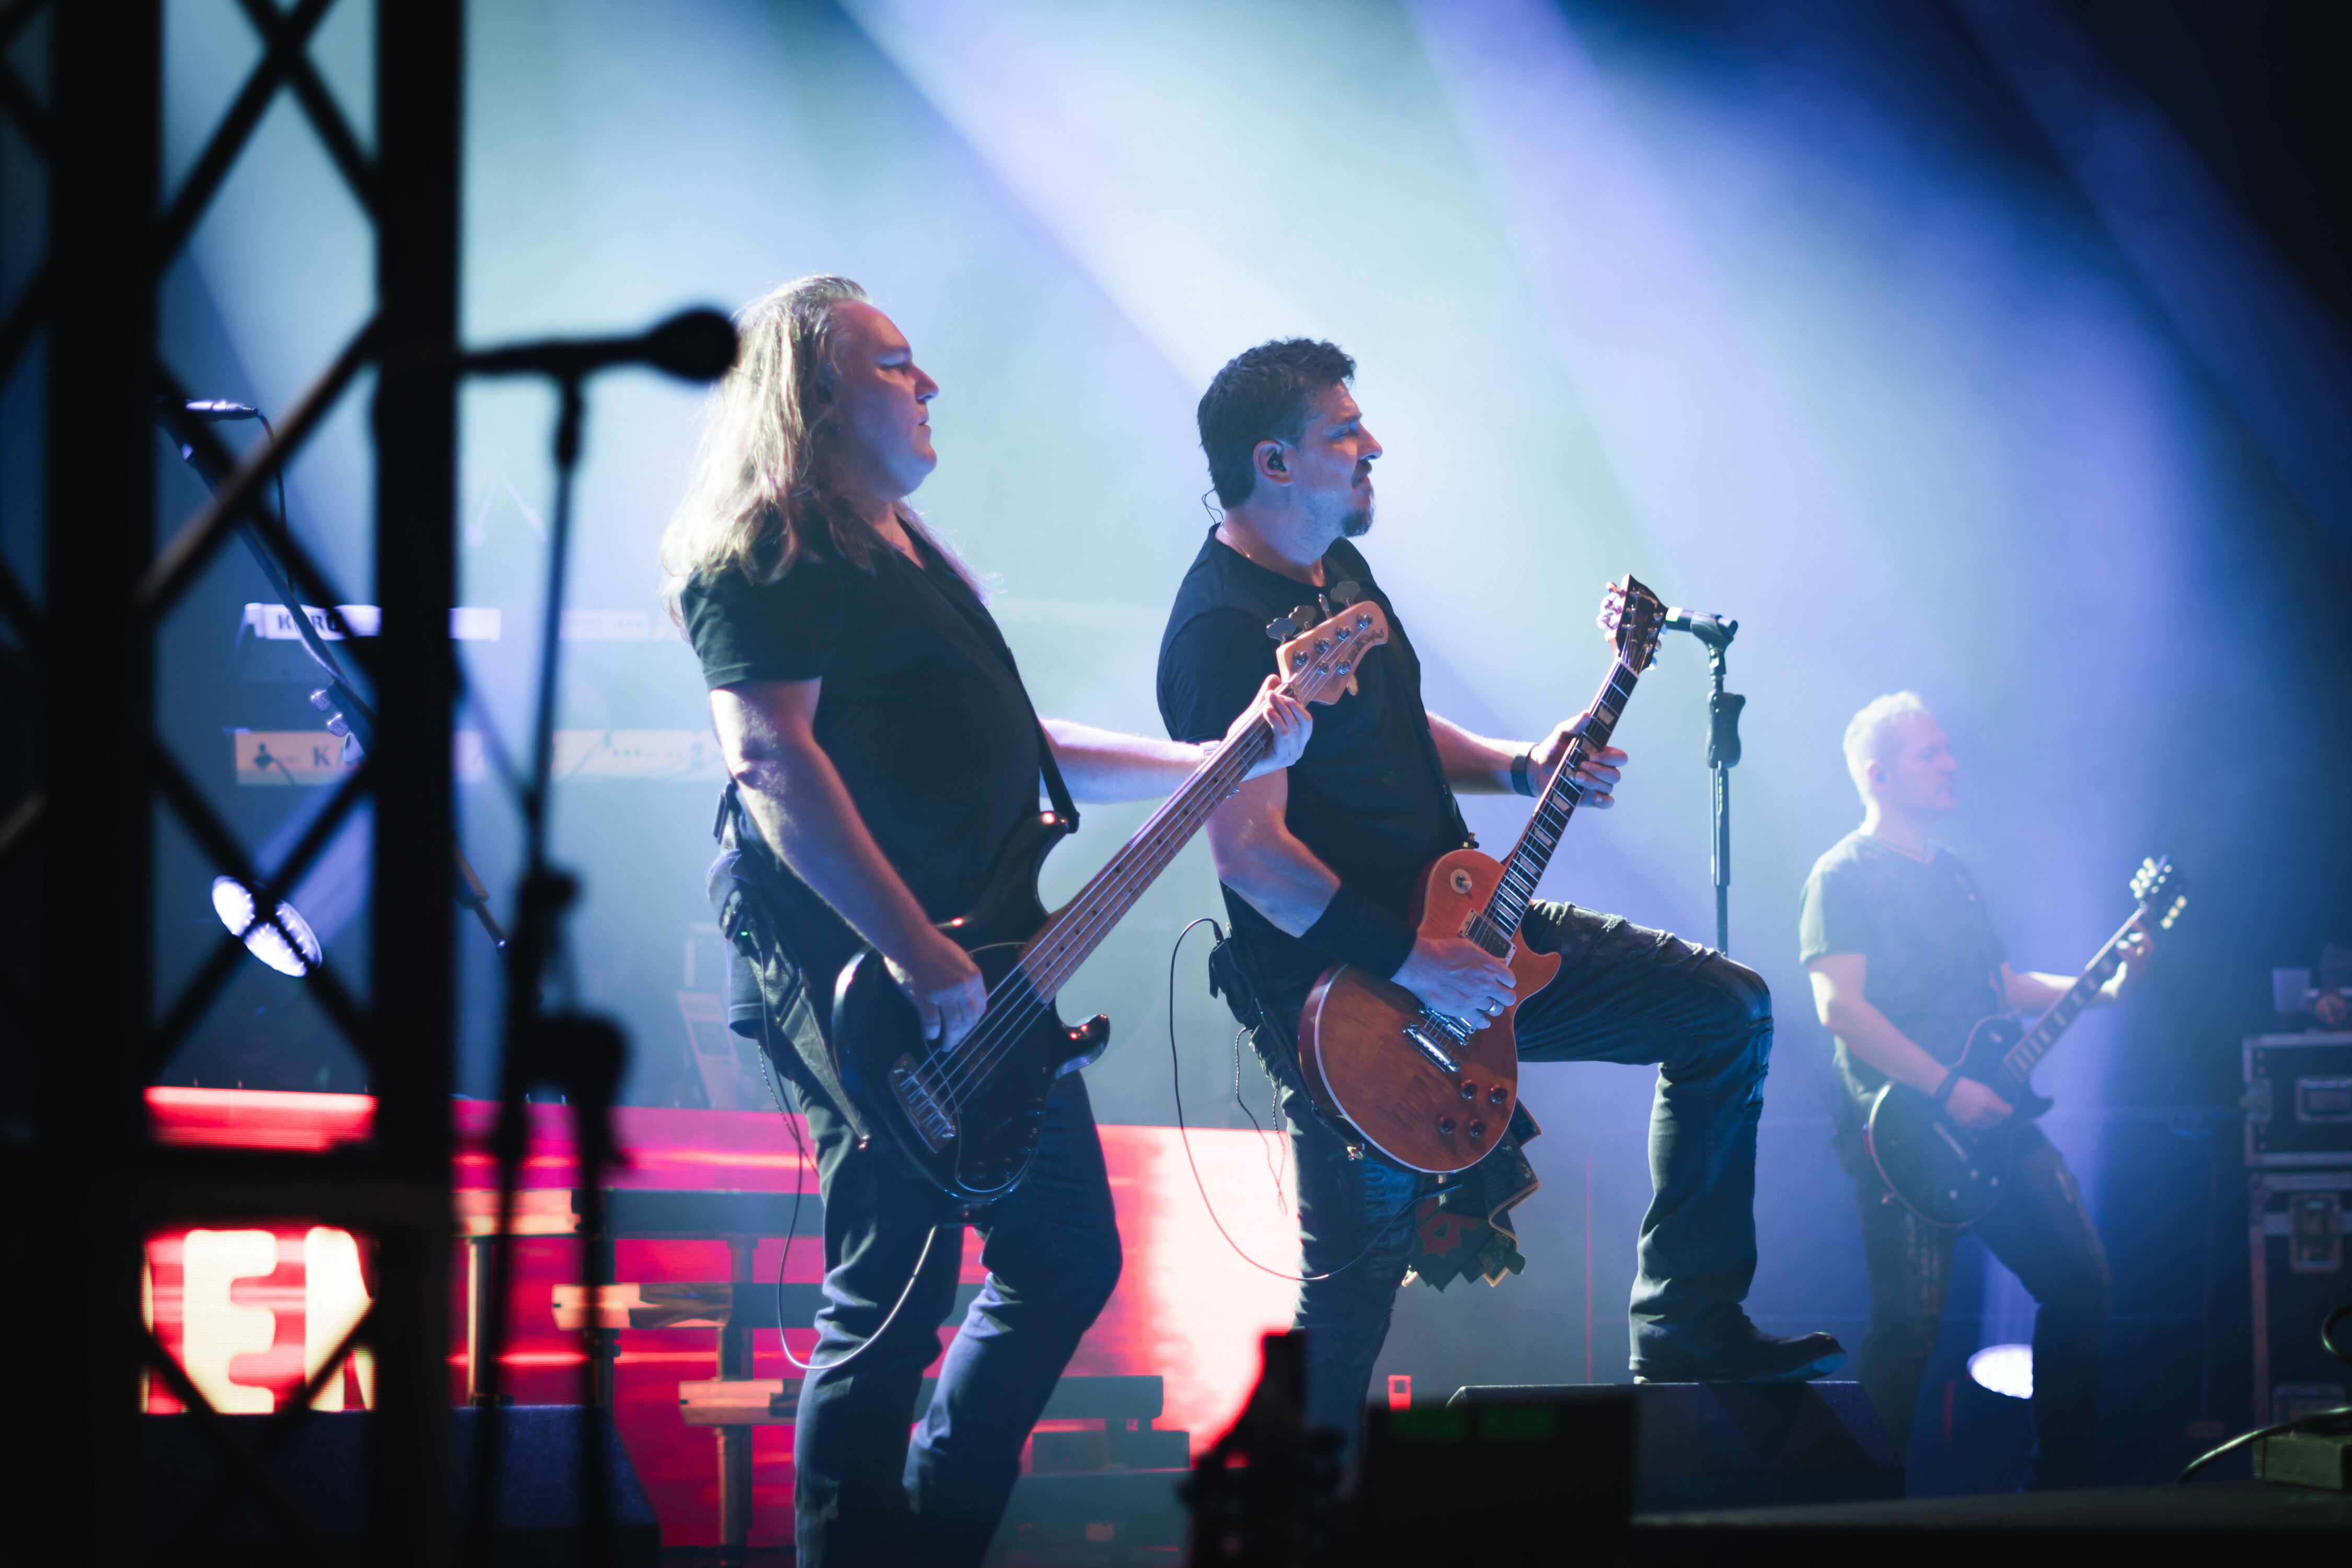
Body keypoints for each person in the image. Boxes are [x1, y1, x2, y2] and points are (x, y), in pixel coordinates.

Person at [660, 276, 1311, 1566]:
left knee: (1063, 1255)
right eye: (895, 364)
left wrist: (1212, 760)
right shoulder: (770, 546)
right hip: (864, 975)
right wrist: (916, 950)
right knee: (891, 1296)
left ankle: (930, 1537)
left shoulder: (904, 550)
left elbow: (1021, 741)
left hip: (980, 968)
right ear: (815, 398)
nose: (929, 384)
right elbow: (770, 760)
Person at [1155, 338, 1844, 1451]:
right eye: (1345, 431)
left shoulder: (1337, 570)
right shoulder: (1219, 633)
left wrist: (1523, 765)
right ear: (1274, 463)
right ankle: (1287, 1522)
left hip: (1473, 940)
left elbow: (1389, 723)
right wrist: (1416, 964)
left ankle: (1689, 1323)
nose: (1373, 446)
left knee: (1726, 1014)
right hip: (1358, 1012)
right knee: (1351, 1302)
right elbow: (1252, 859)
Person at [1801, 691, 2151, 1489]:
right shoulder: (1841, 873)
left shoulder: (1956, 875)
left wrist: (2111, 987)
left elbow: (2008, 988)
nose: (1950, 764)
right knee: (1907, 1332)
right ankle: (1857, 1514)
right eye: (1931, 754)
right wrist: (1946, 1088)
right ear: (1879, 775)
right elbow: (1839, 1008)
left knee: (2080, 1284)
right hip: (1902, 1137)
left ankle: (2061, 1492)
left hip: (1994, 1121)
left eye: (1948, 750)